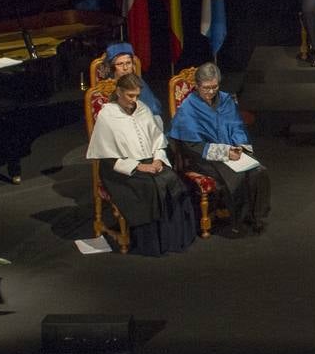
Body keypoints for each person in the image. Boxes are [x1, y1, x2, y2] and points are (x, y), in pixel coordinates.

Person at [85, 73, 197, 255]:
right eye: (130, 96)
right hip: (118, 169)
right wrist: (138, 167)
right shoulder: (107, 114)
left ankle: (174, 238)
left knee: (170, 178)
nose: (134, 100)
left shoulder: (142, 108)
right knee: (149, 186)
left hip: (149, 161)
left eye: (137, 95)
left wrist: (158, 159)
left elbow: (158, 140)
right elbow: (107, 157)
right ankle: (150, 243)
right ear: (119, 92)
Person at [168, 62, 272, 235]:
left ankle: (256, 216)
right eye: (206, 88)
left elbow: (237, 126)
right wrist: (224, 153)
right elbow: (191, 145)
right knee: (235, 176)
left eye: (214, 87)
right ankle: (239, 220)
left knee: (258, 171)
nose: (210, 92)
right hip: (203, 156)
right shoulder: (188, 108)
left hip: (232, 152)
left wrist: (239, 147)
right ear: (197, 86)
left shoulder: (225, 100)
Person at [95, 42, 163, 120]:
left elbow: (154, 109)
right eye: (120, 64)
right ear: (112, 67)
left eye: (128, 63)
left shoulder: (139, 82)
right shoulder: (105, 87)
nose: (125, 68)